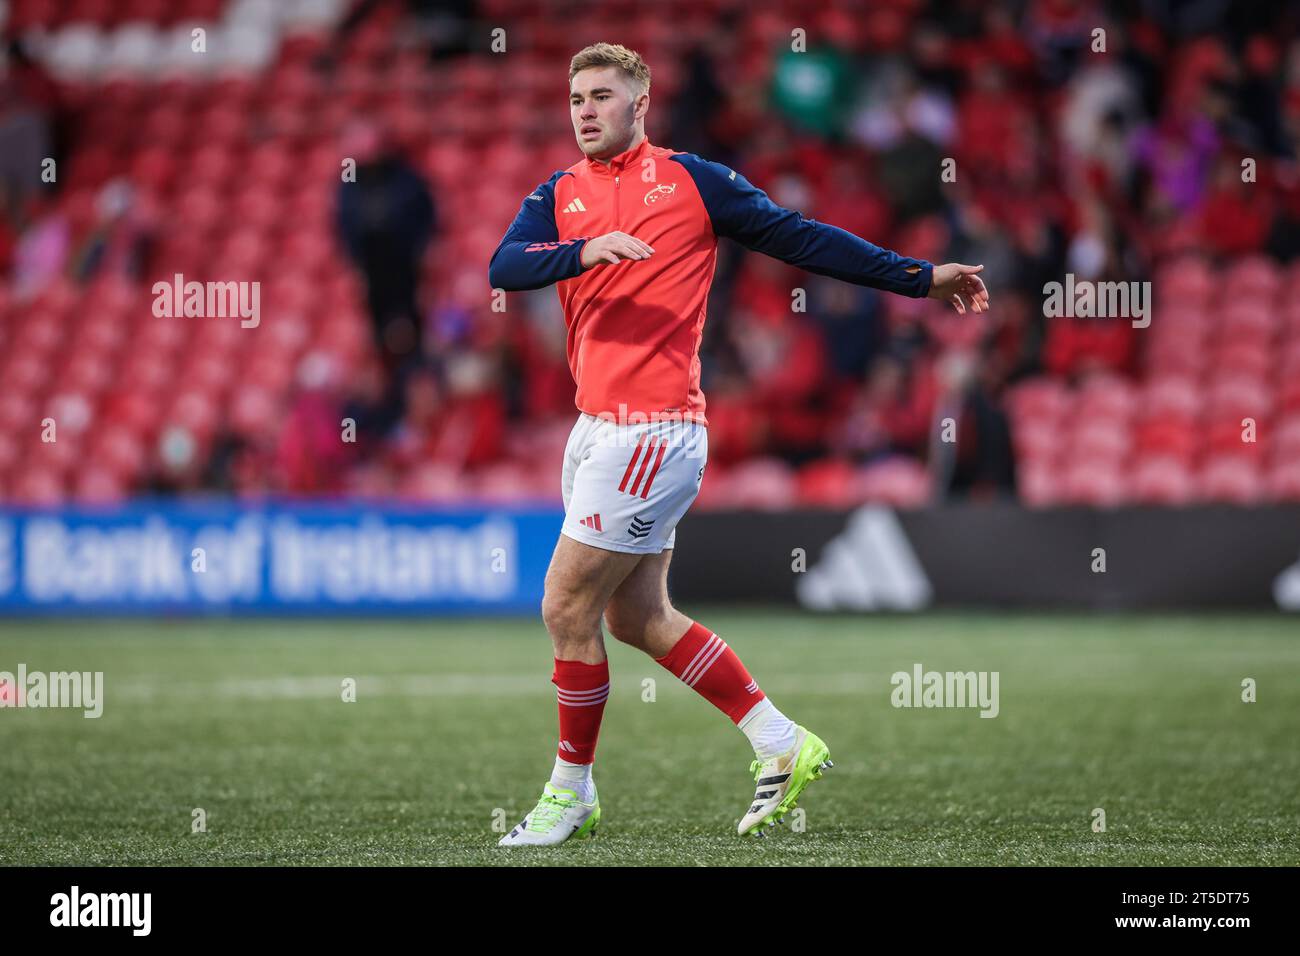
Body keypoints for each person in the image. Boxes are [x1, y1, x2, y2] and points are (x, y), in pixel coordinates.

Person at [488, 42, 989, 846]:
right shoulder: (558, 195)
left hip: (651, 430)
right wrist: (584, 251)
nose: (585, 110)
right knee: (638, 618)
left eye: (602, 96)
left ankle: (569, 792)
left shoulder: (695, 182)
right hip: (594, 429)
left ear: (640, 104)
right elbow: (504, 267)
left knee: (564, 606)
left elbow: (805, 239)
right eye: (576, 97)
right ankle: (782, 743)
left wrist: (918, 277)